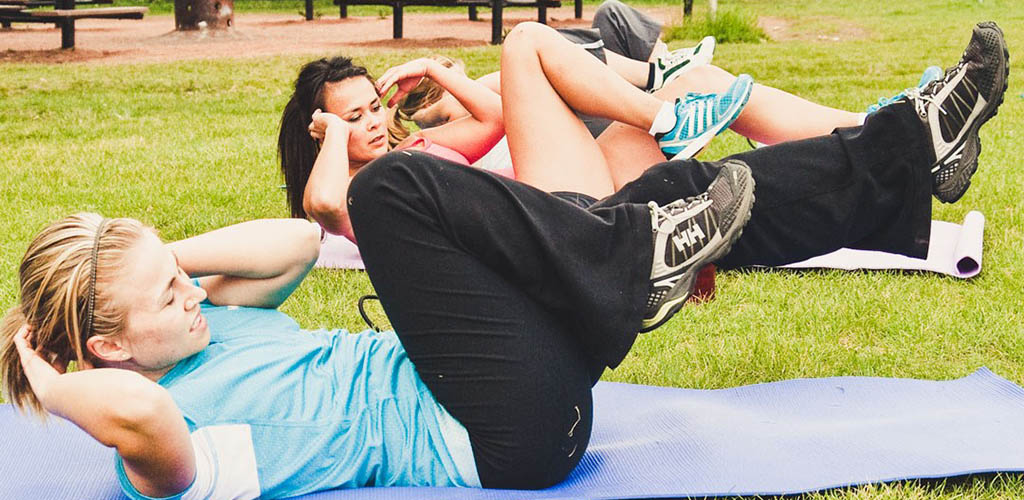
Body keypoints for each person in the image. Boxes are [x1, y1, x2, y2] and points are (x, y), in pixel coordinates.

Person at [1, 21, 1007, 500]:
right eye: (166, 298)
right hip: (504, 435)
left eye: (180, 282)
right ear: (107, 345)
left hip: (514, 369)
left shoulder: (219, 321)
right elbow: (132, 411)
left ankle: (906, 151)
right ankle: (631, 257)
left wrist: (161, 253)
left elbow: (296, 243)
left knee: (660, 199)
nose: (190, 294)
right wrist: (48, 373)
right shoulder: (162, 455)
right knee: (385, 190)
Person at [279, 21, 755, 242]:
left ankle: (669, 121)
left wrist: (432, 68)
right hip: (551, 221)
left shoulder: (416, 147)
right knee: (525, 42)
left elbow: (497, 119)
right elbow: (321, 205)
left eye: (374, 107)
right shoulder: (359, 192)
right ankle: (668, 123)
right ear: (321, 130)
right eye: (353, 117)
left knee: (679, 96)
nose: (374, 122)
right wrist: (336, 137)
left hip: (565, 200)